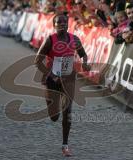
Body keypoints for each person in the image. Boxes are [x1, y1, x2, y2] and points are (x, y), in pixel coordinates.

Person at [34, 13, 91, 157]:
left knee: (68, 112)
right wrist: (50, 73)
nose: (62, 25)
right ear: (54, 25)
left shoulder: (74, 39)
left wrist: (85, 63)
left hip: (68, 79)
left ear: (68, 24)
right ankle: (52, 108)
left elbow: (83, 54)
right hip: (52, 80)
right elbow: (37, 61)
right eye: (59, 23)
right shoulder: (50, 40)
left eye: (65, 22)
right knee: (54, 116)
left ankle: (65, 145)